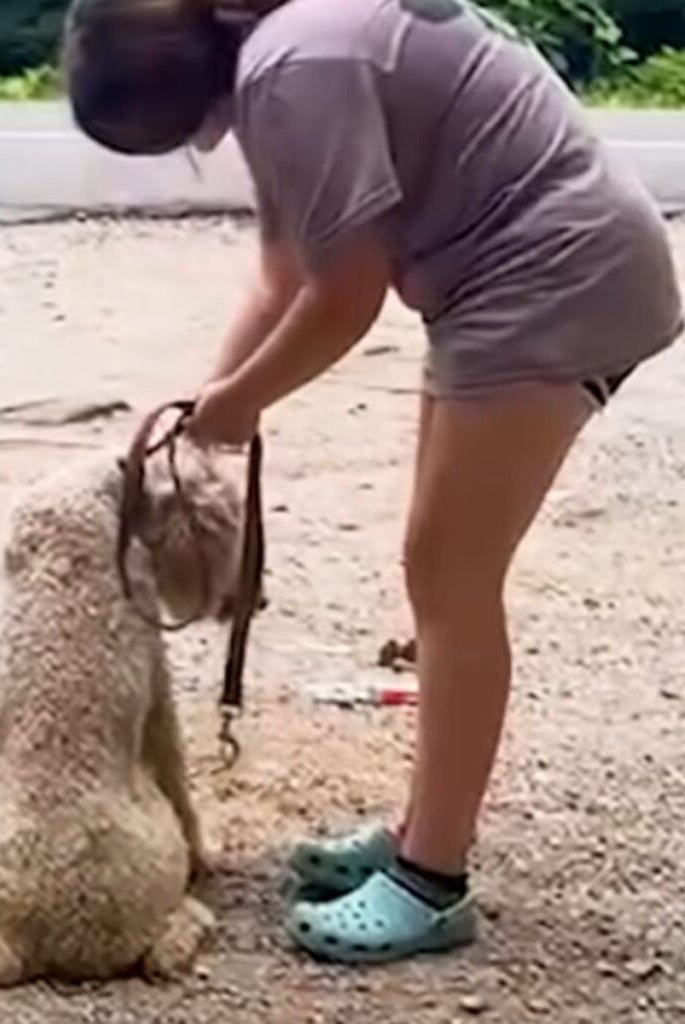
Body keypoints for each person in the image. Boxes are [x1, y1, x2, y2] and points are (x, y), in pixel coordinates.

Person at [62, 0, 684, 964]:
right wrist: (211, 414)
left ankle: (432, 881)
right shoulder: (287, 47)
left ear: (178, 96)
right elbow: (282, 275)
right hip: (511, 280)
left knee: (450, 580)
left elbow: (346, 298)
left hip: (551, 279)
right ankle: (415, 837)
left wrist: (236, 404)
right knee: (437, 570)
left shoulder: (287, 68)